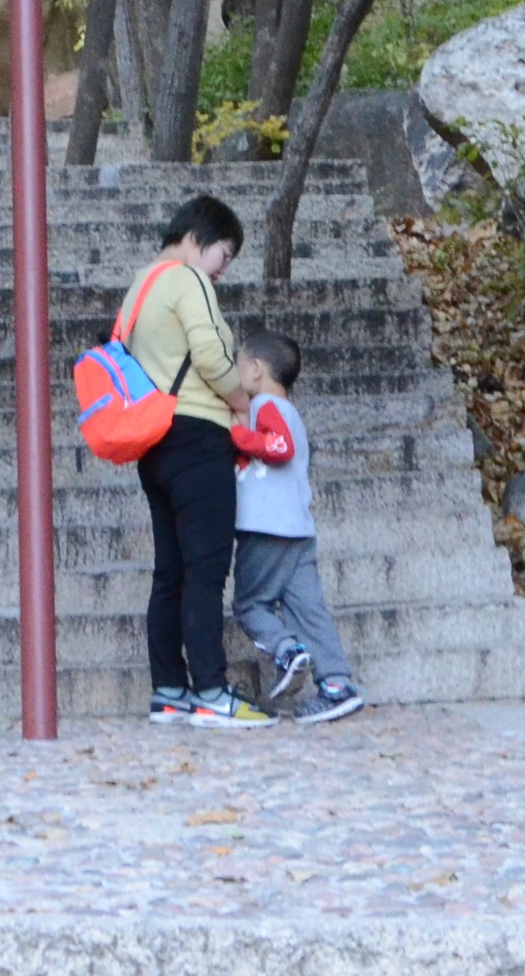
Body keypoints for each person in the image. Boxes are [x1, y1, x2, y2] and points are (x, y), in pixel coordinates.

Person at [119, 193, 268, 726]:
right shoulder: (188, 279)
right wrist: (242, 401)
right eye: (223, 255)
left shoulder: (141, 284)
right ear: (198, 238)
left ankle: (169, 689)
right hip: (198, 436)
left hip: (153, 440)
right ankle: (210, 689)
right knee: (205, 570)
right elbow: (209, 354)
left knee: (171, 572)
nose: (222, 270)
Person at [227, 327, 363, 723]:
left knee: (250, 603)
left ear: (256, 370)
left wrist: (235, 436)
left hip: (267, 527)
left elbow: (278, 448)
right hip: (298, 530)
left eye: (239, 367)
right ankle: (337, 684)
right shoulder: (289, 412)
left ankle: (287, 651)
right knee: (309, 609)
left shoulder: (266, 407)